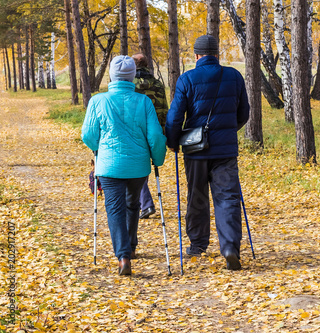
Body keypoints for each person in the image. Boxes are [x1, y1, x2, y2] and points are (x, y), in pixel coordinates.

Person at [165, 35, 250, 271]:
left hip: (195, 151)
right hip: (225, 152)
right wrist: (227, 132)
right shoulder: (233, 76)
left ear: (196, 55)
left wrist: (173, 142)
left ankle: (198, 244)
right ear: (216, 54)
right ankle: (230, 247)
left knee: (197, 196)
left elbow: (174, 117)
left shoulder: (187, 79)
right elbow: (244, 113)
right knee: (228, 198)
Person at [81, 55, 166, 276]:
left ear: (112, 75)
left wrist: (98, 148)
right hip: (138, 166)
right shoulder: (144, 101)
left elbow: (88, 135)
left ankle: (123, 256)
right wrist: (158, 159)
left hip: (109, 166)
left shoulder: (98, 101)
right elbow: (156, 136)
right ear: (131, 76)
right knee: (132, 204)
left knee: (115, 208)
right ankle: (132, 246)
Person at [131, 53, 169, 220]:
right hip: (155, 132)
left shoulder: (130, 84)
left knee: (136, 170)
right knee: (142, 168)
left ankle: (145, 204)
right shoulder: (158, 84)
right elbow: (164, 109)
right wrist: (164, 132)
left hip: (135, 132)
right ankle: (145, 203)